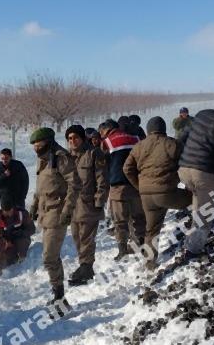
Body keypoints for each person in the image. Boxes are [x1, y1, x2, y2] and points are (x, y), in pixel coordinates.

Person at [123, 117, 192, 270]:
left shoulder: (139, 146)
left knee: (151, 230)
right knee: (194, 198)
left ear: (148, 129)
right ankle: (198, 230)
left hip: (146, 196)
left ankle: (150, 262)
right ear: (163, 128)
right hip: (167, 193)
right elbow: (186, 164)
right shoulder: (172, 144)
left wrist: (140, 186)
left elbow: (127, 169)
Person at [29, 127, 81, 312]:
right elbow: (41, 186)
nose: (36, 148)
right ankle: (57, 293)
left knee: (49, 257)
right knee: (51, 256)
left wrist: (67, 210)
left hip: (57, 211)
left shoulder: (61, 157)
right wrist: (34, 207)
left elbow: (75, 184)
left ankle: (60, 298)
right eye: (34, 145)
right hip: (45, 210)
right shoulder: (43, 159)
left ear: (48, 142)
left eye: (39, 144)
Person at [177, 109, 214, 256]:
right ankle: (192, 250)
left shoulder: (202, 114)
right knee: (207, 214)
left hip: (183, 169)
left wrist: (184, 158)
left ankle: (190, 239)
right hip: (203, 173)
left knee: (198, 204)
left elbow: (182, 136)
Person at [65, 124, 108, 285]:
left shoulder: (93, 154)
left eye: (75, 137)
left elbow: (102, 178)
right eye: (69, 138)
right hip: (73, 205)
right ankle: (85, 266)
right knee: (77, 237)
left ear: (82, 138)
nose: (73, 141)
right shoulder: (67, 157)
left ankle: (86, 267)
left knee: (87, 238)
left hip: (89, 203)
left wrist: (99, 200)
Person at [100, 120, 146, 260]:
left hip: (118, 187)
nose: (101, 135)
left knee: (120, 221)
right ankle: (143, 245)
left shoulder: (107, 142)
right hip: (136, 184)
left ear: (107, 130)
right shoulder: (136, 138)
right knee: (139, 217)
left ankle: (122, 250)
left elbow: (104, 163)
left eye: (101, 132)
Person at [0, 195, 35, 276]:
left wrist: (20, 233)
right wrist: (5, 240)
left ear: (13, 207)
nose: (8, 213)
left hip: (20, 239)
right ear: (2, 209)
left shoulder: (22, 214)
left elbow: (32, 229)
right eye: (5, 211)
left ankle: (19, 259)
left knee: (20, 247)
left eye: (10, 210)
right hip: (5, 241)